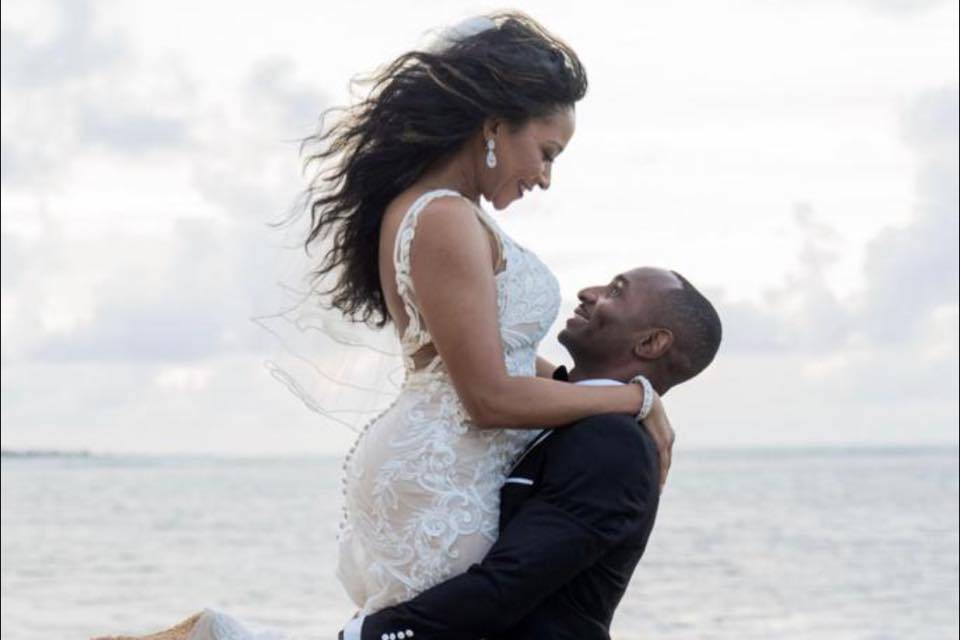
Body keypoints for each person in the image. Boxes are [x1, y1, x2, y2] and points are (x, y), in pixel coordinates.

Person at [93, 12, 676, 640]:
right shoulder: (445, 218)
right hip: (443, 473)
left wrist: (601, 395)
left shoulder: (440, 212)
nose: (544, 176)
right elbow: (487, 396)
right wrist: (635, 398)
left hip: (437, 461)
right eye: (546, 152)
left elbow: (494, 355)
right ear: (496, 125)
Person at [341, 267, 723, 640]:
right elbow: (491, 368)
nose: (588, 292)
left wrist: (372, 632)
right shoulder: (576, 416)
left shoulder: (613, 442)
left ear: (651, 343)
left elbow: (510, 585)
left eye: (616, 291)